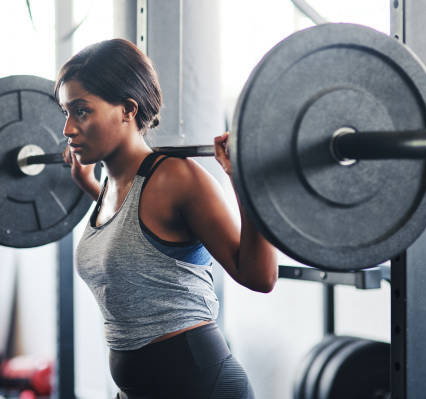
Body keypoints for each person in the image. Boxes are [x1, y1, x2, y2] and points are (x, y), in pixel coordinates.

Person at [56, 38, 277, 399]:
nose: (68, 129)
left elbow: (260, 275)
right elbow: (135, 242)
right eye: (65, 112)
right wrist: (89, 187)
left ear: (127, 109)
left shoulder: (177, 178)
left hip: (199, 386)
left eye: (81, 111)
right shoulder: (113, 186)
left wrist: (247, 182)